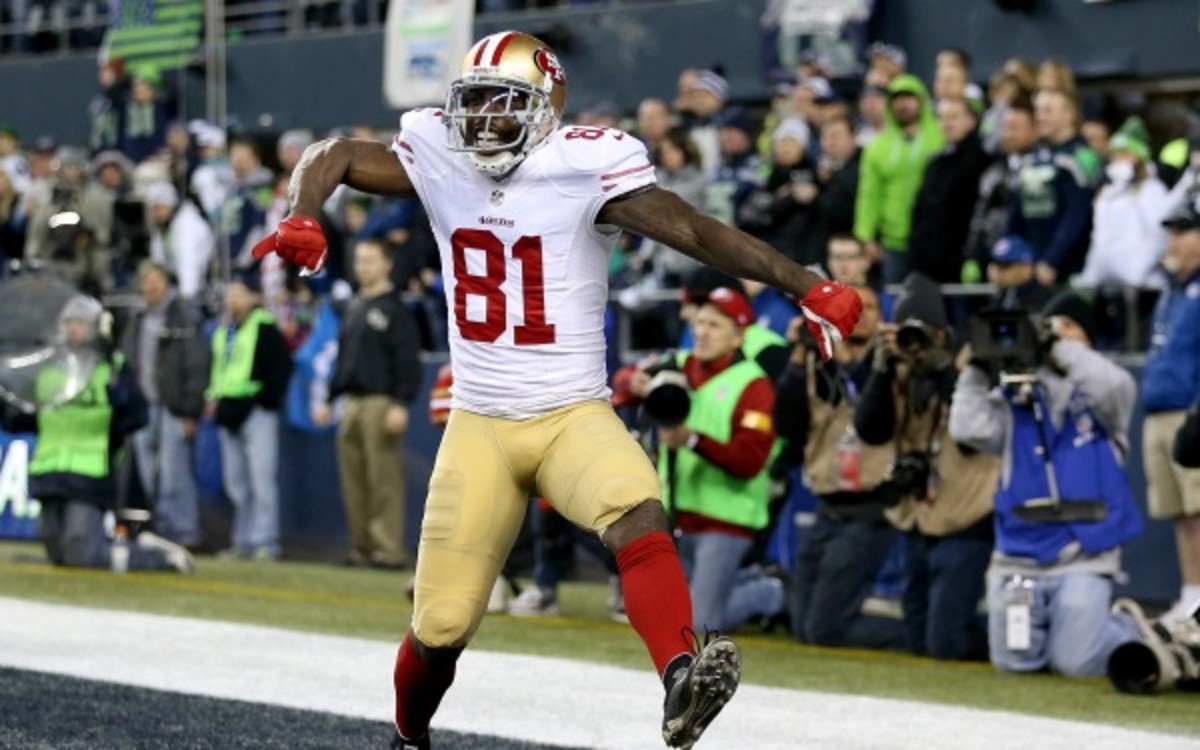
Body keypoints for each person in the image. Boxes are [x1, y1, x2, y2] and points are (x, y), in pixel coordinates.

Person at [250, 30, 862, 750]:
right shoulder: (439, 151)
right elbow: (334, 154)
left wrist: (804, 284)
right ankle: (408, 738)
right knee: (441, 627)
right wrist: (302, 211)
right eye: (474, 100)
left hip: (571, 412)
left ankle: (680, 677)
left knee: (637, 511)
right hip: (480, 423)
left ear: (546, 108)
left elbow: (695, 232)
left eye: (501, 102)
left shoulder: (582, 166)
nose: (482, 119)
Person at [950, 291, 1144, 676]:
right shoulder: (1016, 394)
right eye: (1052, 325)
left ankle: (1137, 633)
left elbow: (1115, 386)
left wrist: (1056, 345)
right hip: (1019, 552)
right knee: (1014, 662)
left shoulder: (1104, 399)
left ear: (1088, 340)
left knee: (1077, 663)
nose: (1059, 331)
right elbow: (967, 429)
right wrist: (975, 370)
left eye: (1070, 326)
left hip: (1083, 551)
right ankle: (1076, 631)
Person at [853, 273, 999, 660]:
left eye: (924, 333)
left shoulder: (973, 363)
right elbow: (870, 431)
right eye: (906, 331)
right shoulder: (896, 368)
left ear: (942, 333)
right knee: (916, 636)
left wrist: (944, 369)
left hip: (966, 517)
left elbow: (974, 434)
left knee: (945, 642)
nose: (915, 343)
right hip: (917, 515)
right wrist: (881, 370)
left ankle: (1013, 639)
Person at [631, 288, 787, 634]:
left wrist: (693, 440)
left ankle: (771, 592)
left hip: (726, 519)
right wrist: (635, 382)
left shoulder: (755, 386)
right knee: (662, 612)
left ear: (739, 336)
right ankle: (746, 581)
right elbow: (622, 382)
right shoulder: (679, 365)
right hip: (678, 513)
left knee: (698, 624)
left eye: (714, 325)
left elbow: (750, 461)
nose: (701, 332)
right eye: (699, 323)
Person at [6, 295, 192, 572]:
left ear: (97, 327)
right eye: (69, 322)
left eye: (81, 323)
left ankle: (160, 559)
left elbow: (137, 415)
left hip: (89, 470)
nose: (73, 329)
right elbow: (25, 417)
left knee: (81, 551)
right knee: (57, 549)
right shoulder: (48, 368)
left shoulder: (110, 367)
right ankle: (137, 549)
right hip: (49, 468)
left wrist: (119, 399)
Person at [775, 285, 906, 650]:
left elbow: (876, 420)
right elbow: (787, 426)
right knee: (803, 627)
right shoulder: (818, 363)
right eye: (852, 309)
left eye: (869, 308)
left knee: (824, 630)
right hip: (827, 506)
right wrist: (798, 356)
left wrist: (854, 359)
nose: (860, 316)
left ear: (882, 317)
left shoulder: (895, 363)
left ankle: (919, 632)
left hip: (871, 507)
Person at [315, 237, 422, 569]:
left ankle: (388, 549)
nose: (363, 266)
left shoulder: (396, 309)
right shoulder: (354, 306)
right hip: (352, 401)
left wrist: (401, 403)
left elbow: (408, 360)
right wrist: (330, 397)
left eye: (371, 260)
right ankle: (361, 546)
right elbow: (344, 359)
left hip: (380, 401)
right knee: (354, 479)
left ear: (387, 264)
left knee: (383, 478)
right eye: (360, 260)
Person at [120, 261, 210, 548]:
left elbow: (196, 365)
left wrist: (190, 410)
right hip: (142, 407)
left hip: (173, 407)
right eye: (146, 281)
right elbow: (126, 363)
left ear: (167, 283)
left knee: (174, 474)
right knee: (148, 475)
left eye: (156, 280)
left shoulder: (183, 316)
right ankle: (162, 528)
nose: (151, 286)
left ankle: (184, 531)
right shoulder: (137, 320)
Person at [1141, 194, 1200, 624]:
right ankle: (1191, 593)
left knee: (1198, 508)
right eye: (1171, 233)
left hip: (1189, 414)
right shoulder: (1170, 290)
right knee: (1178, 512)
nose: (1173, 241)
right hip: (1158, 409)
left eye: (1183, 232)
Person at [205, 271, 292, 560]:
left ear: (253, 297)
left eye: (238, 293)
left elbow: (281, 368)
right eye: (229, 293)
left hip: (256, 412)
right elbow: (220, 369)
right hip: (229, 410)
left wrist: (262, 400)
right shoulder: (223, 331)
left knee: (261, 480)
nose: (232, 299)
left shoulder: (265, 326)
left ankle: (265, 540)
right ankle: (242, 540)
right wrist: (214, 397)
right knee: (236, 484)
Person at [853, 74, 944, 285]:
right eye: (897, 99)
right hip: (894, 241)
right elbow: (869, 194)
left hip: (936, 237)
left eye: (909, 98)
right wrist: (865, 235)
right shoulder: (877, 146)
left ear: (921, 100)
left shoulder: (941, 138)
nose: (903, 105)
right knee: (895, 296)